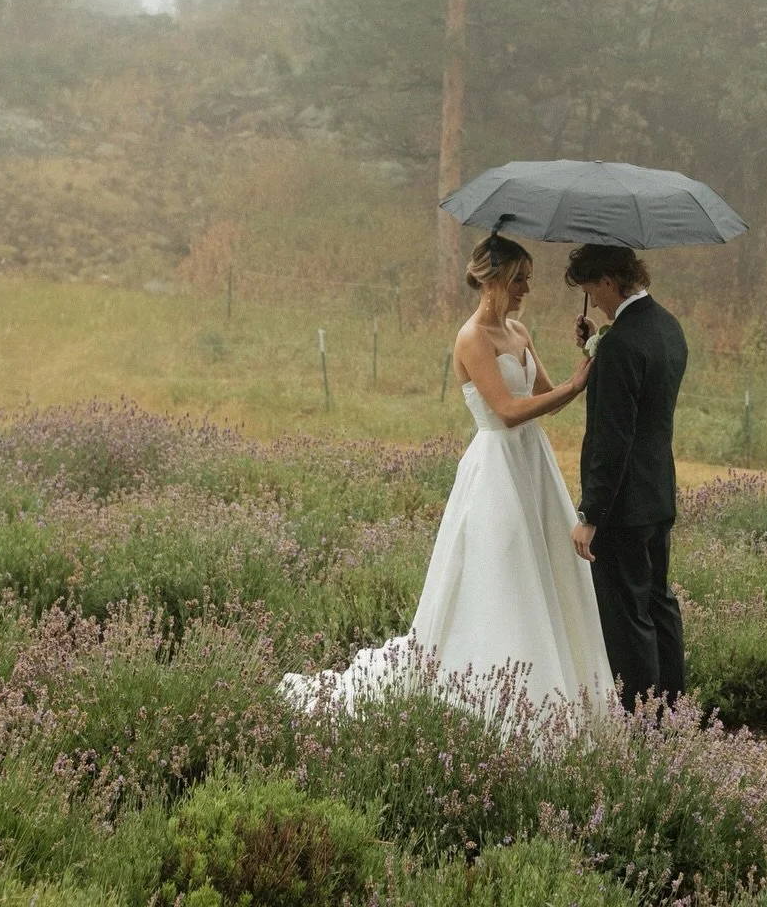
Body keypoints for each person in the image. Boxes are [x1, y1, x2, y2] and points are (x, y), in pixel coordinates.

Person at [281, 234, 612, 715]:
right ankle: (496, 687)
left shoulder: (519, 333)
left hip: (533, 467)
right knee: (503, 571)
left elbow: (550, 398)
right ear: (494, 278)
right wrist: (576, 383)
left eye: (527, 280)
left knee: (544, 570)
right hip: (497, 469)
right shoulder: (471, 337)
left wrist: (584, 359)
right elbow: (508, 410)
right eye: (519, 279)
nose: (525, 289)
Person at [568, 243, 688, 711]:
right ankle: (673, 710)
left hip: (622, 505)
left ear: (608, 282)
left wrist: (590, 513)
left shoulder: (622, 344)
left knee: (626, 615)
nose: (590, 299)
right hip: (657, 494)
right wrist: (595, 343)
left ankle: (642, 721)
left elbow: (611, 439)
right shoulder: (666, 326)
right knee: (660, 603)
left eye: (590, 290)